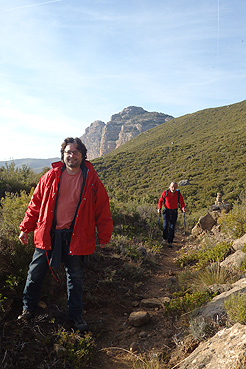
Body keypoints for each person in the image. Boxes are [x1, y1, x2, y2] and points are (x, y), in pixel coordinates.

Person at [18, 137, 113, 332]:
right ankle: (28, 309)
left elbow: (102, 208)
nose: (72, 155)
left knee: (75, 278)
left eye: (75, 152)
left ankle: (76, 317)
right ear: (63, 154)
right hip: (48, 234)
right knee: (35, 273)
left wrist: (104, 236)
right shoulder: (50, 176)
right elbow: (35, 203)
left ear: (82, 155)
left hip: (76, 237)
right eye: (68, 152)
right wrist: (25, 228)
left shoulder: (91, 179)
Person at [158, 181, 186, 247]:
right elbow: (160, 201)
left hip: (174, 211)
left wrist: (183, 208)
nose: (173, 188)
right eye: (172, 187)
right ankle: (165, 239)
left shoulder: (178, 194)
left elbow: (182, 202)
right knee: (165, 226)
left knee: (172, 227)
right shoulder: (165, 193)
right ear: (169, 187)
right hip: (166, 211)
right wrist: (159, 208)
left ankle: (170, 242)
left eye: (175, 187)